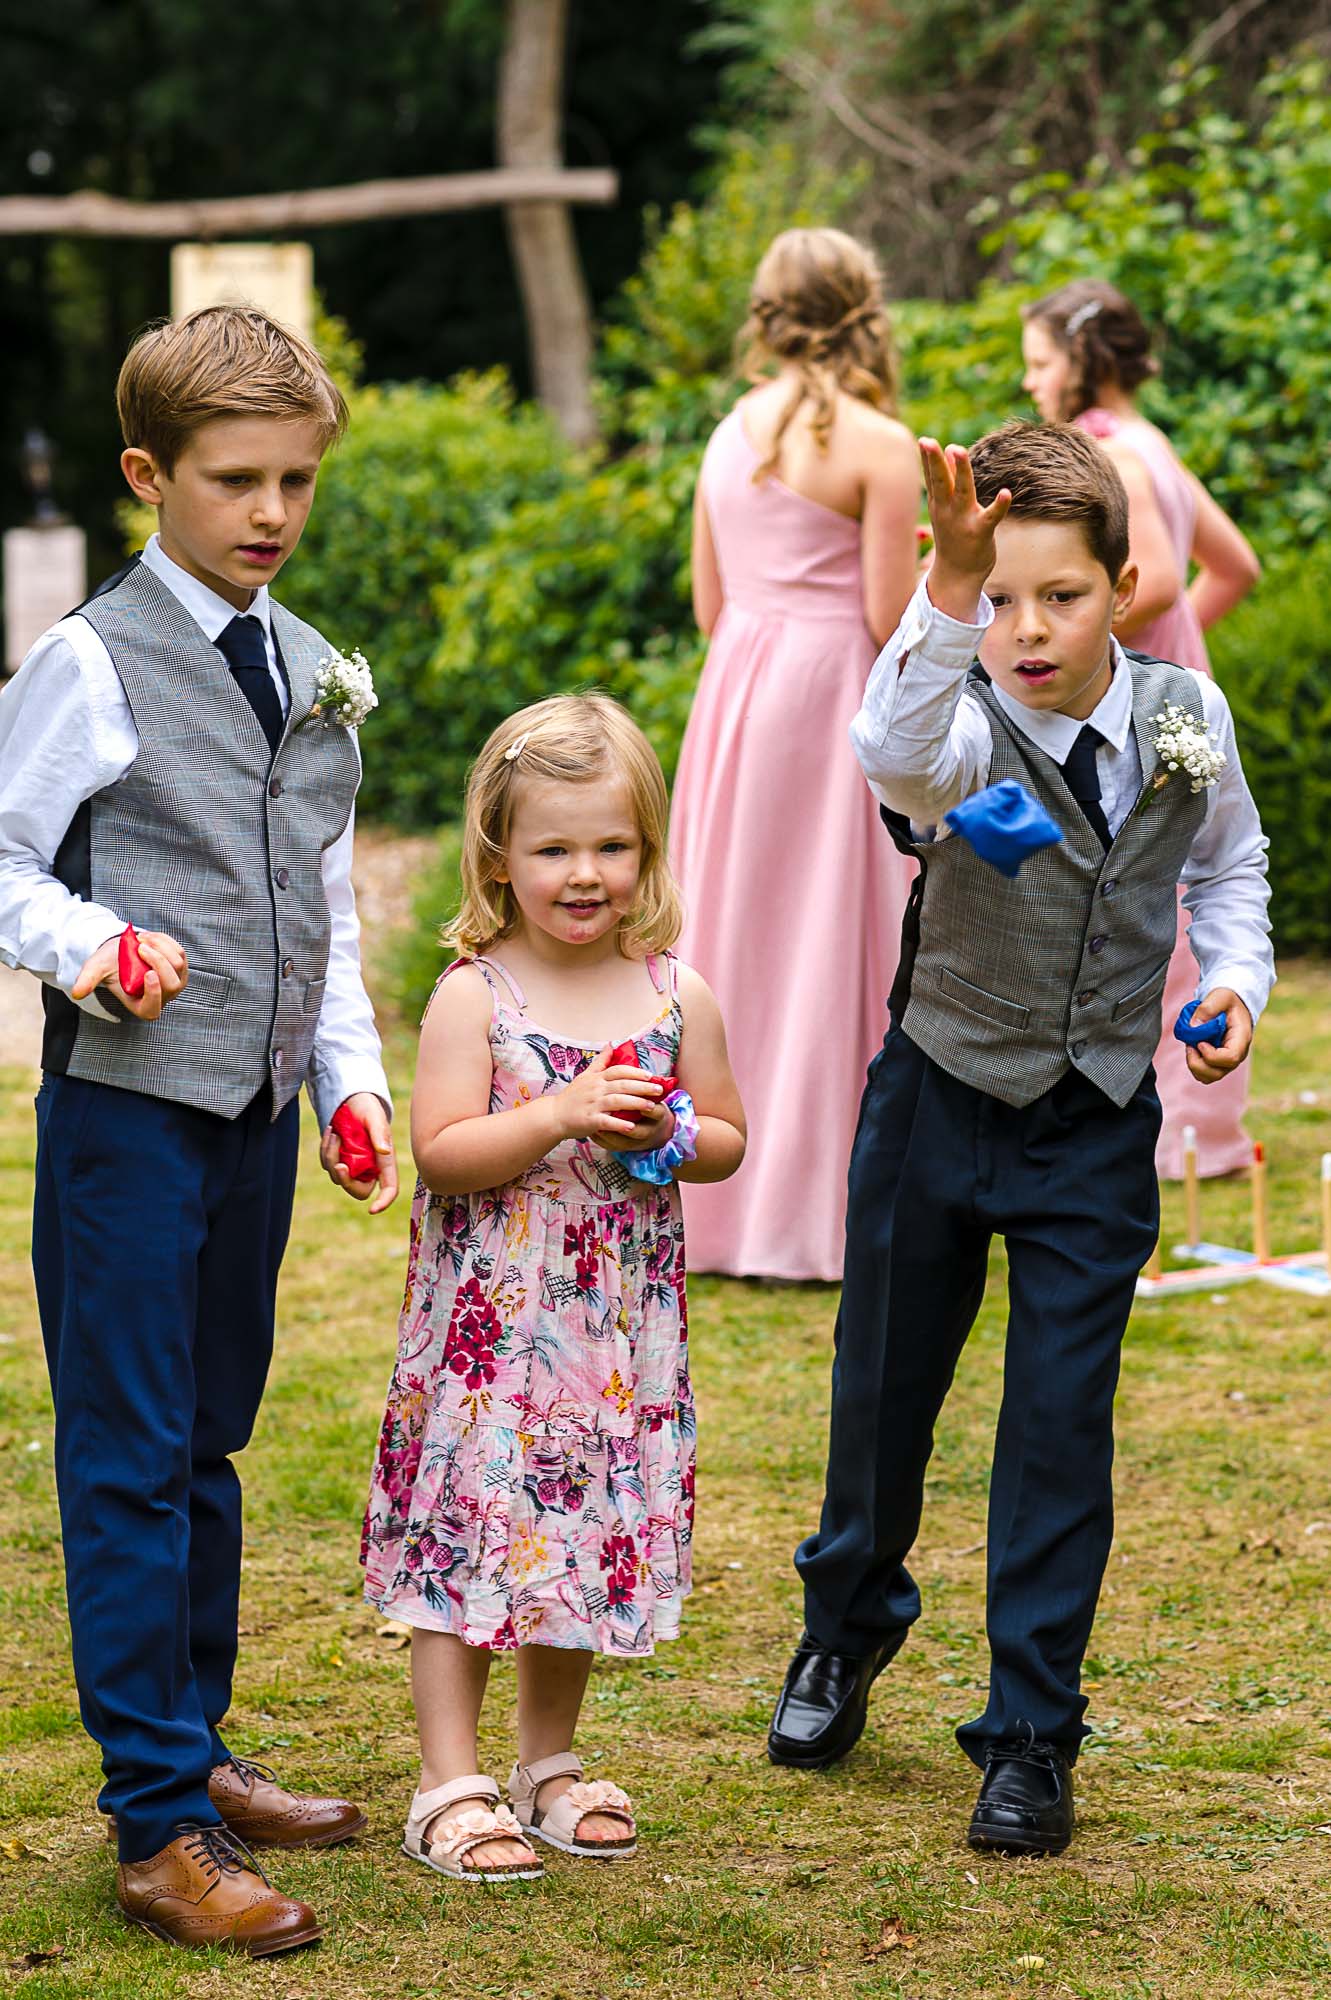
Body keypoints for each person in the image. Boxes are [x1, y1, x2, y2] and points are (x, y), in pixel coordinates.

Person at [768, 423, 1273, 1856]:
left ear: (1122, 586)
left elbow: (1229, 872)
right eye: (1000, 597)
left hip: (1094, 1119)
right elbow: (885, 752)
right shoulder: (950, 718)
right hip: (933, 1094)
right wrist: (945, 577)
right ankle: (842, 1630)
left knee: (1056, 1433)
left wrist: (1227, 985)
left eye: (1056, 595)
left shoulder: (1184, 716)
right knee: (881, 1404)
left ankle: (1029, 1735)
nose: (1024, 627)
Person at [0, 307, 398, 1956]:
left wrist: (353, 1076)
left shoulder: (309, 664)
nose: (272, 513)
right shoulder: (89, 660)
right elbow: (8, 863)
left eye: (298, 480)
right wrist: (92, 948)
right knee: (125, 1457)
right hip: (127, 1124)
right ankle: (154, 1824)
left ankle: (200, 1746)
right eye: (238, 480)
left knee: (206, 1446)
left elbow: (324, 899)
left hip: (258, 1119)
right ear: (148, 474)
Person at [362, 695, 745, 1881]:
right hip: (490, 1340)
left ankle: (546, 1761)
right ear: (498, 855)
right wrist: (559, 1113)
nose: (585, 874)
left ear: (645, 849)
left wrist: (673, 1132)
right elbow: (442, 1148)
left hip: (609, 1339)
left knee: (573, 1535)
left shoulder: (674, 991)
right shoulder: (477, 993)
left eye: (611, 846)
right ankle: (447, 1777)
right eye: (554, 849)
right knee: (469, 1534)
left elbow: (730, 1133)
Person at [669, 226, 921, 1281]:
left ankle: (715, 1208)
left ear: (766, 314)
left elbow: (706, 602)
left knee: (734, 937)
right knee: (826, 945)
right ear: (864, 307)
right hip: (830, 696)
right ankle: (818, 1213)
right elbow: (883, 610)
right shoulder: (880, 444)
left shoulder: (728, 432)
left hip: (738, 688)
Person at [1021, 280, 1262, 1178]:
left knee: (1138, 908)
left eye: (1039, 362)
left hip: (1131, 719)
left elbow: (1153, 578)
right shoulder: (1152, 443)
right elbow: (1235, 566)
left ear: (1081, 360)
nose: (1030, 381)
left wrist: (1080, 657)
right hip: (1177, 704)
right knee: (1174, 890)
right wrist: (1180, 655)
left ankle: (1176, 1128)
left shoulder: (1103, 452)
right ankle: (1204, 1127)